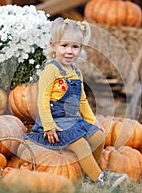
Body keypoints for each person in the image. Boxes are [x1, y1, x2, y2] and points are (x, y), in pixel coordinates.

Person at [24, 17, 129, 188]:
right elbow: (42, 100)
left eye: (75, 47)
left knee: (98, 136)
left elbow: (82, 100)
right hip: (56, 123)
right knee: (80, 144)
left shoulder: (76, 72)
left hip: (73, 120)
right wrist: (49, 125)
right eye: (64, 46)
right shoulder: (51, 70)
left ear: (80, 49)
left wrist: (92, 121)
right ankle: (101, 180)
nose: (69, 51)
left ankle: (90, 175)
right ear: (53, 46)